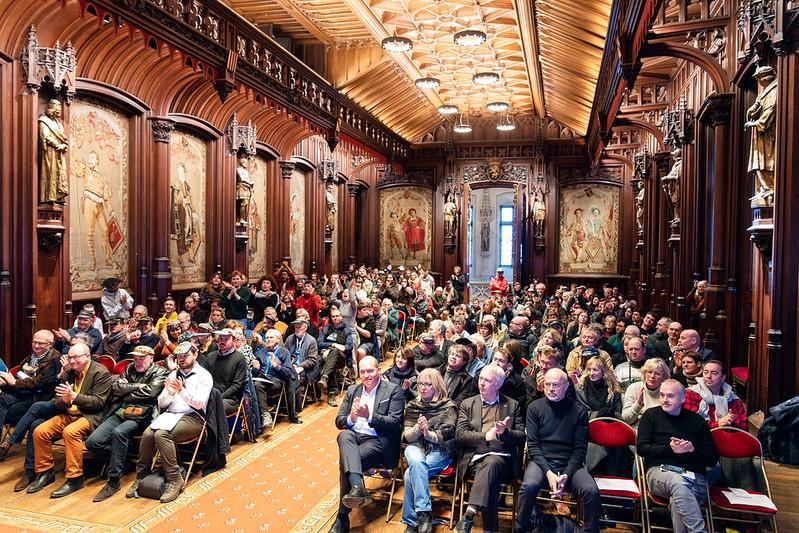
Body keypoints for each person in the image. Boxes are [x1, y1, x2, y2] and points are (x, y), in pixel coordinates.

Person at [515, 368, 601, 533]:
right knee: (529, 486)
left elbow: (580, 449)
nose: (551, 389)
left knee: (591, 490)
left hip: (570, 463)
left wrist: (566, 474)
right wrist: (549, 472)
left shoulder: (579, 411)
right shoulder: (534, 408)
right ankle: (521, 529)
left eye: (555, 385)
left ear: (566, 385)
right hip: (541, 462)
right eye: (548, 384)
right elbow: (533, 445)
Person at [126, 341, 212, 503]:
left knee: (161, 435)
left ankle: (174, 479)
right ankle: (141, 476)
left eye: (186, 356)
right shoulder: (173, 374)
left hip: (194, 417)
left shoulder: (204, 376)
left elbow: (200, 404)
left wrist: (181, 391)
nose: (182, 359)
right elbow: (162, 403)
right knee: (147, 434)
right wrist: (171, 394)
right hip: (171, 415)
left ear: (195, 355)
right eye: (179, 356)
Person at [26, 343, 113, 498]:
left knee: (70, 432)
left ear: (87, 356)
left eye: (76, 357)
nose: (72, 361)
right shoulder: (69, 373)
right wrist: (66, 399)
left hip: (90, 416)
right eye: (70, 357)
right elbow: (56, 400)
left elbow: (99, 403)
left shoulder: (101, 372)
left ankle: (75, 478)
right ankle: (45, 472)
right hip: (69, 414)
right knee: (40, 431)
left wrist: (74, 397)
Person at [329, 356, 404, 533]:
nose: (366, 375)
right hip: (356, 437)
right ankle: (358, 488)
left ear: (378, 370)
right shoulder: (353, 390)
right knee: (344, 435)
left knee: (346, 463)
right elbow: (339, 421)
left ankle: (342, 516)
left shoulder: (393, 390)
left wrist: (369, 416)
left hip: (379, 441)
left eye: (370, 370)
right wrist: (352, 418)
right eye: (363, 372)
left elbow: (394, 424)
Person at [85, 345, 167, 501]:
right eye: (135, 358)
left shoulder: (160, 372)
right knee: (92, 442)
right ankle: (124, 459)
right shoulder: (130, 368)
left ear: (151, 358)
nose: (137, 361)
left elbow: (151, 392)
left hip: (144, 414)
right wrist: (138, 387)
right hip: (122, 410)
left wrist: (128, 394)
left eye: (141, 358)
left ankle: (113, 480)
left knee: (119, 432)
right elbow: (116, 388)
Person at [637, 379, 718, 533]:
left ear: (682, 398)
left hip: (694, 477)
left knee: (677, 501)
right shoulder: (651, 416)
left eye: (670, 396)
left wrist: (691, 450)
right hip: (660, 473)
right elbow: (642, 449)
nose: (664, 400)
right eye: (662, 395)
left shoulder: (698, 422)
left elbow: (712, 459)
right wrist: (671, 449)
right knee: (678, 482)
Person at [454, 365, 525, 533]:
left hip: (503, 460)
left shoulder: (512, 405)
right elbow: (460, 435)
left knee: (492, 463)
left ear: (498, 385)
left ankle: (469, 514)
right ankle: (488, 529)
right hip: (475, 458)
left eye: (487, 380)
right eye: (481, 379)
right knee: (489, 476)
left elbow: (522, 436)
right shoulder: (468, 404)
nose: (482, 383)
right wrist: (485, 437)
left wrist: (504, 432)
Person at [401, 368, 458, 533]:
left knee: (408, 474)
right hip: (415, 447)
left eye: (428, 384)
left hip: (440, 450)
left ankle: (411, 522)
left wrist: (428, 433)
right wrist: (418, 429)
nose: (423, 388)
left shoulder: (448, 406)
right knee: (416, 462)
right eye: (420, 384)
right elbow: (407, 436)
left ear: (437, 386)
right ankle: (424, 513)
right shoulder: (413, 406)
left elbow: (449, 434)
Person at [682, 360, 747, 430]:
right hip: (699, 438)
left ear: (723, 377)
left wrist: (732, 423)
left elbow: (745, 428)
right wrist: (718, 424)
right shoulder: (691, 393)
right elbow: (690, 423)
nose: (708, 376)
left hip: (726, 437)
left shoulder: (733, 399)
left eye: (714, 373)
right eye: (706, 372)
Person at [317, 308, 356, 407]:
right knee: (330, 363)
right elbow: (319, 343)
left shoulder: (347, 330)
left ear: (341, 317)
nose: (335, 318)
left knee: (334, 354)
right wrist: (333, 344)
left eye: (337, 316)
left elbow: (349, 346)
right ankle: (331, 393)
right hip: (326, 355)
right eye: (333, 316)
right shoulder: (326, 329)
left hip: (341, 358)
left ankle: (324, 377)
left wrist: (340, 347)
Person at [622, 357, 670, 428]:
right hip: (637, 430)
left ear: (663, 376)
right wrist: (638, 405)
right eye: (649, 372)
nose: (652, 376)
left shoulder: (668, 390)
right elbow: (626, 419)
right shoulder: (634, 388)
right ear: (644, 373)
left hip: (661, 430)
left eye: (657, 374)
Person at [38, 99, 69, 203]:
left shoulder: (59, 123)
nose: (58, 114)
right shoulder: (43, 121)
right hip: (50, 152)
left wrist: (63, 145)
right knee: (50, 173)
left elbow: (64, 138)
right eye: (57, 112)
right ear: (51, 109)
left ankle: (58, 196)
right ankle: (49, 197)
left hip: (59, 153)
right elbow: (45, 137)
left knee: (60, 173)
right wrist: (58, 145)